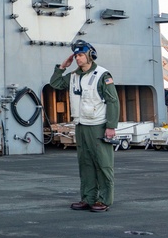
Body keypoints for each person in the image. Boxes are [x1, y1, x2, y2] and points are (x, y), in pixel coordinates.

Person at [49, 40, 120, 213]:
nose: (78, 58)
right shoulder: (73, 76)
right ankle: (88, 198)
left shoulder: (102, 75)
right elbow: (55, 84)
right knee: (85, 164)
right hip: (81, 125)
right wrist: (61, 67)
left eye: (81, 55)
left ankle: (104, 200)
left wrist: (111, 126)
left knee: (103, 164)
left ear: (90, 55)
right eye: (76, 55)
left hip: (98, 125)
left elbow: (113, 101)